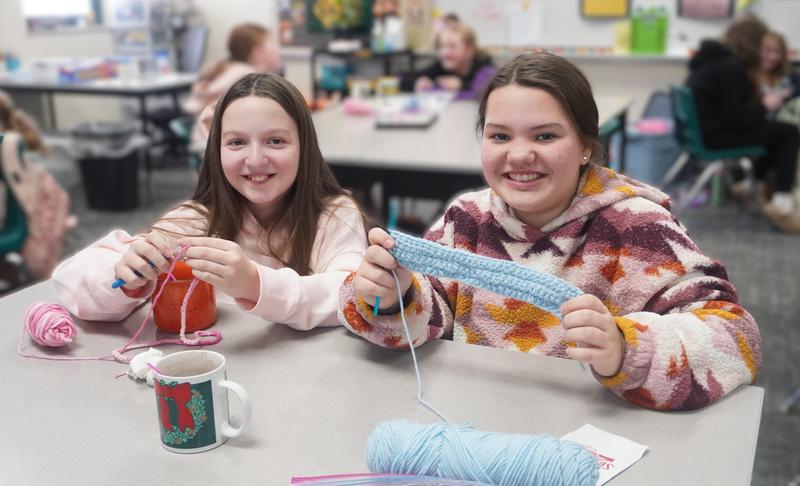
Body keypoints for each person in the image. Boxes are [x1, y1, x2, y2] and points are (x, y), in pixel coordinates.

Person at [339, 52, 762, 411]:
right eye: (500, 135)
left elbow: (734, 339)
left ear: (584, 147)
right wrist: (395, 297)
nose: (520, 154)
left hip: (586, 445)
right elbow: (434, 315)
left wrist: (627, 349)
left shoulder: (637, 229)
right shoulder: (467, 217)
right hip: (474, 424)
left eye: (545, 135)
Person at [54, 73, 367, 329]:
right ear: (216, 151)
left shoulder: (334, 216)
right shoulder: (196, 221)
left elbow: (352, 294)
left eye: (276, 141)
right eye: (236, 142)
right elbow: (72, 282)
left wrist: (254, 284)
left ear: (305, 146)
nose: (255, 159)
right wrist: (123, 278)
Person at [686, 15, 799, 221]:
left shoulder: (711, 60)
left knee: (772, 129)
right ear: (754, 42)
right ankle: (782, 198)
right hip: (716, 137)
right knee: (789, 132)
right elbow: (737, 120)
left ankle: (753, 183)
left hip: (703, 133)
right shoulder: (730, 67)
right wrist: (765, 105)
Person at [184, 23, 281, 147]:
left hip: (208, 140)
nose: (277, 50)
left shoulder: (227, 67)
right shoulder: (250, 79)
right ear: (257, 52)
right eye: (272, 43)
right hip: (217, 146)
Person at [400, 24, 496, 101]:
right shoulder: (441, 65)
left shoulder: (484, 67)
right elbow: (403, 78)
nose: (445, 52)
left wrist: (461, 84)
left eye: (452, 46)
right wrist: (416, 83)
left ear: (469, 50)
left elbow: (485, 91)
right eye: (442, 46)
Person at [758, 30, 800, 117]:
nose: (773, 57)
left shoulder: (792, 77)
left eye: (778, 52)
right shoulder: (748, 78)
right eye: (768, 51)